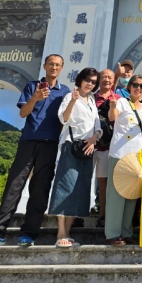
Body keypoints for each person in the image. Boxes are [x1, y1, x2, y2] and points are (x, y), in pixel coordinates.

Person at [0, 54, 70, 248]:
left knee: (40, 190)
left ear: (62, 68)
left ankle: (29, 234)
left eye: (58, 65)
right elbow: (23, 113)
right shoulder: (32, 86)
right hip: (28, 141)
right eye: (51, 64)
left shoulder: (65, 92)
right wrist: (35, 98)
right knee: (14, 186)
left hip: (50, 143)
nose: (54, 67)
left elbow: (66, 118)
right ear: (45, 66)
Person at [49, 68, 102, 248]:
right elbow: (64, 119)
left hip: (88, 148)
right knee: (66, 185)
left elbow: (97, 126)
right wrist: (72, 100)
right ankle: (60, 233)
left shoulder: (92, 100)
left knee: (78, 189)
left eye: (93, 82)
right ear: (80, 79)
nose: (90, 84)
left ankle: (68, 231)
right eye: (87, 80)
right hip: (71, 145)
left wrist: (94, 139)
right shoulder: (70, 96)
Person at [105, 74, 142, 246]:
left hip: (136, 156)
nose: (138, 88)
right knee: (116, 194)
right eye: (135, 85)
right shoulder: (122, 102)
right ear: (129, 87)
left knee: (131, 194)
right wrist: (112, 107)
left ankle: (126, 231)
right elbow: (112, 117)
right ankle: (113, 233)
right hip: (119, 153)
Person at [94, 68, 120, 225]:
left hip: (108, 146)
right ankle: (77, 215)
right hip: (89, 144)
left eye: (110, 77)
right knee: (82, 180)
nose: (107, 80)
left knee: (103, 182)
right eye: (104, 77)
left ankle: (103, 216)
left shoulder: (118, 98)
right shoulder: (90, 97)